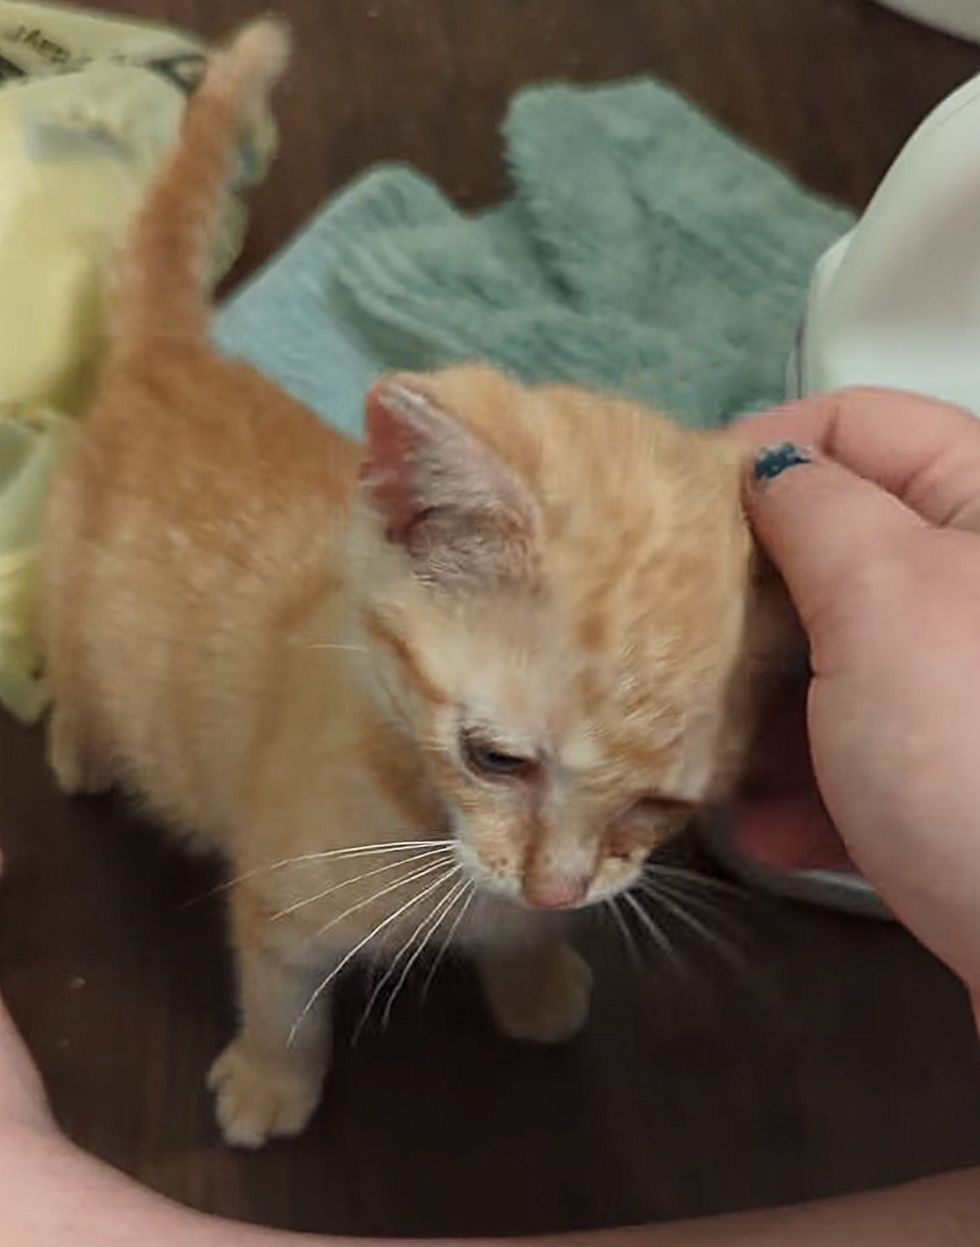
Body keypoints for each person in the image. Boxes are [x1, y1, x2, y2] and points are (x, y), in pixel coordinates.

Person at [2, 386, 979, 1244]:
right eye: (498, 757)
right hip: (146, 542)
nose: (557, 879)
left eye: (654, 800)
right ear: (419, 525)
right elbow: (277, 918)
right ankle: (89, 715)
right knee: (107, 698)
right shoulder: (396, 647)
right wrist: (274, 1058)